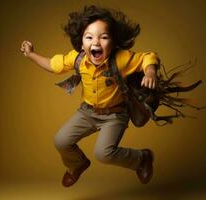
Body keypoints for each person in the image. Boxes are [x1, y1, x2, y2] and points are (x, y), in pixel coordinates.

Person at [20, 5, 160, 187]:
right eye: (89, 37)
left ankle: (142, 158)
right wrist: (31, 54)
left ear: (113, 41)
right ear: (81, 42)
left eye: (104, 37)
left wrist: (150, 72)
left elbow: (148, 57)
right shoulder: (77, 58)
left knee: (104, 153)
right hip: (87, 112)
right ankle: (77, 164)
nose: (96, 43)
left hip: (115, 115)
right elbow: (53, 65)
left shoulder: (121, 59)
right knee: (61, 141)